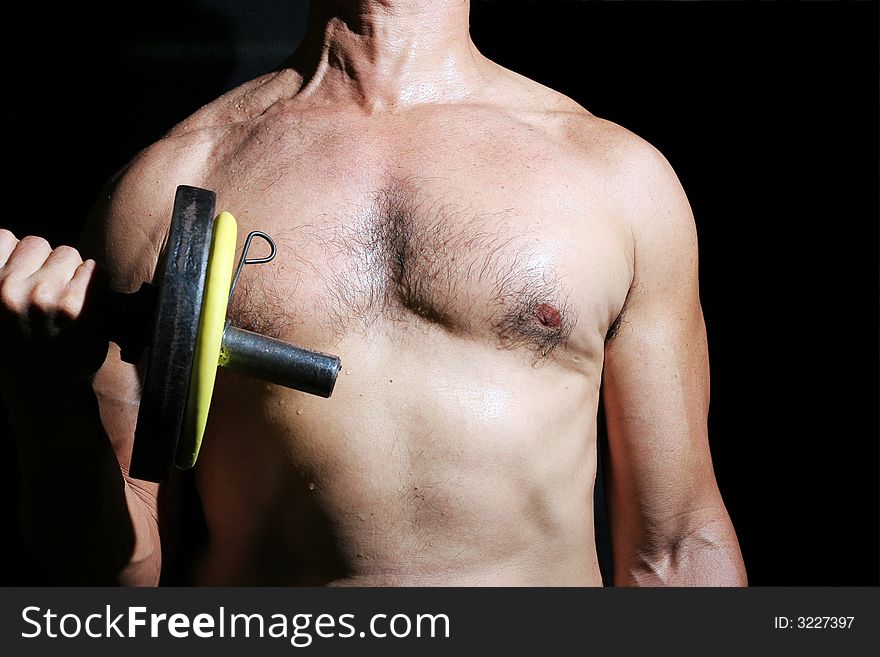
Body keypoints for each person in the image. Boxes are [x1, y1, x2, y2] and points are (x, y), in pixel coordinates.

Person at [0, 0, 747, 586]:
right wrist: (47, 403)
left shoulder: (616, 178)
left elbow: (676, 547)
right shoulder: (165, 186)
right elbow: (110, 580)